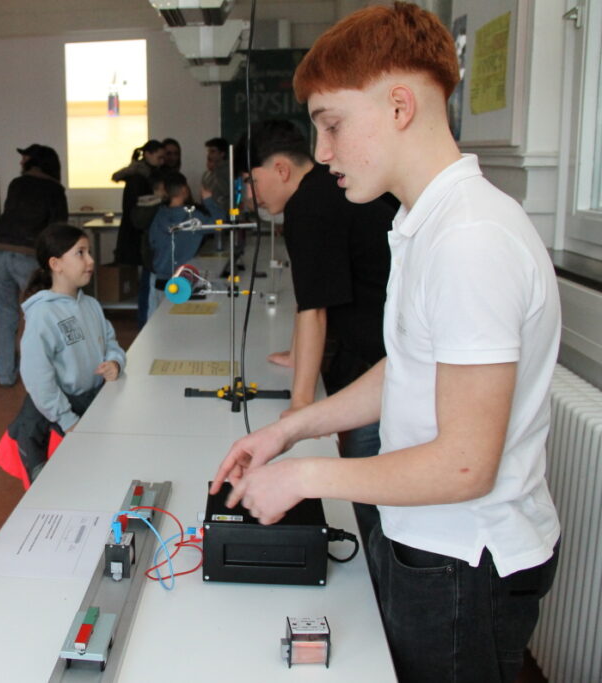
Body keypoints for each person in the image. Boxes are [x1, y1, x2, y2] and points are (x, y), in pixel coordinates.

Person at [211, 4, 561, 682]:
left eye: (333, 125)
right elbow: (408, 367)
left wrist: (304, 477)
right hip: (426, 541)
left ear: (400, 106)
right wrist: (293, 428)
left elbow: (465, 466)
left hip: (462, 561)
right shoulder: (423, 223)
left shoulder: (470, 240)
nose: (322, 153)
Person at [237, 118, 395, 551]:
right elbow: (313, 290)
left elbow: (314, 310)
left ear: (281, 169)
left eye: (251, 181)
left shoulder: (309, 205)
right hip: (377, 354)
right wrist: (297, 353)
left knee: (367, 497)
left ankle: (375, 569)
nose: (250, 196)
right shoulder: (325, 189)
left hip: (382, 365)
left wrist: (302, 405)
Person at [4, 224, 125, 483]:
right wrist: (66, 419)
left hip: (91, 406)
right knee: (61, 484)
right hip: (59, 419)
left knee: (92, 476)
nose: (90, 260)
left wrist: (115, 361)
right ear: (56, 264)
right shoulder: (43, 313)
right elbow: (38, 377)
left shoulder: (91, 305)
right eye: (80, 253)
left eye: (89, 252)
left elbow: (111, 342)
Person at [0, 144, 68, 387]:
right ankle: (42, 374)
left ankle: (5, 374)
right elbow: (58, 228)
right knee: (40, 315)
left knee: (6, 315)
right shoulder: (54, 189)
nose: (21, 161)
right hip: (28, 256)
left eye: (25, 158)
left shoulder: (16, 184)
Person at [147, 172, 219, 318]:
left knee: (157, 321)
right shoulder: (194, 217)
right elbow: (220, 223)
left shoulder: (159, 215)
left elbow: (152, 242)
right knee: (182, 321)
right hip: (185, 279)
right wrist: (208, 199)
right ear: (184, 190)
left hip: (160, 279)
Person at [112, 140, 165, 327]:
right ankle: (144, 323)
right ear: (148, 154)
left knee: (145, 283)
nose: (162, 161)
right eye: (159, 157)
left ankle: (144, 322)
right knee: (146, 284)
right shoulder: (139, 179)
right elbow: (139, 211)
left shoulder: (140, 175)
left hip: (138, 235)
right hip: (139, 236)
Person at [201, 137, 231, 220]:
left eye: (213, 151)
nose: (209, 155)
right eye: (208, 151)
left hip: (227, 215)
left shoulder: (231, 171)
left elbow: (228, 192)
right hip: (209, 215)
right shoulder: (207, 174)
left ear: (222, 154)